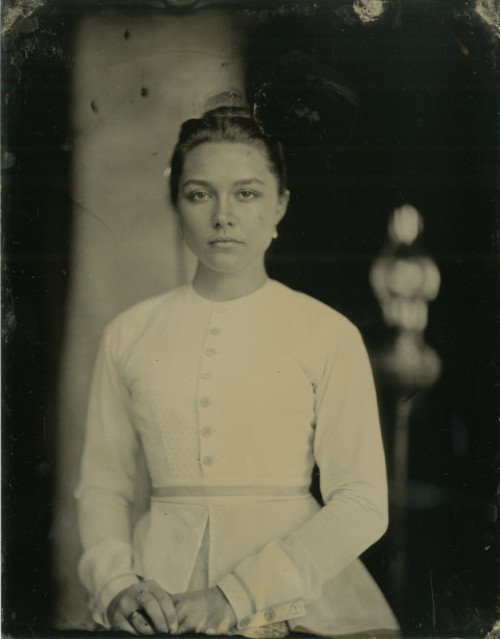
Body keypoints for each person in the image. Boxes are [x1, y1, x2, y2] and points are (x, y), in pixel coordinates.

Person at [76, 106, 400, 638]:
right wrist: (116, 586)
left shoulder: (327, 332)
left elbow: (363, 502)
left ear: (281, 206)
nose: (222, 215)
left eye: (246, 194)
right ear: (176, 206)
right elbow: (102, 485)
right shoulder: (127, 334)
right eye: (200, 194)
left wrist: (237, 594)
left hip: (300, 599)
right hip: (158, 599)